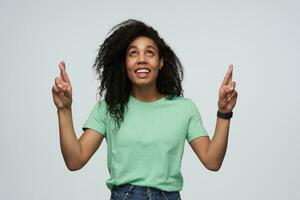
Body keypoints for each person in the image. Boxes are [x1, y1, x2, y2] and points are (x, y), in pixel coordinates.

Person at [52, 19, 238, 200]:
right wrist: (64, 109)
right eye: (133, 53)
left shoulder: (184, 108)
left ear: (161, 62)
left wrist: (224, 113)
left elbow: (212, 161)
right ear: (124, 63)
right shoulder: (108, 109)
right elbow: (75, 160)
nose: (141, 59)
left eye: (149, 53)